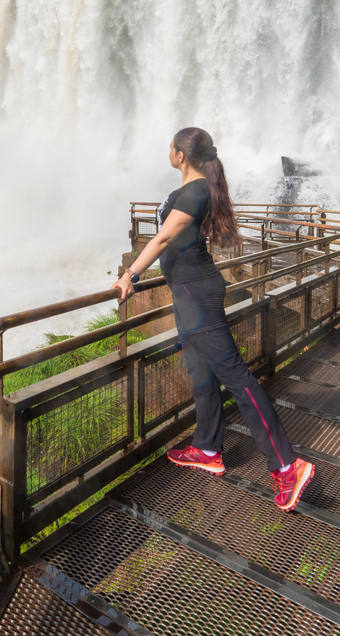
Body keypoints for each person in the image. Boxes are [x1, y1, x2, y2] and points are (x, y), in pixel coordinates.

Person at [112, 127, 314, 512]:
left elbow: (162, 240)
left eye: (170, 147)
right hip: (190, 293)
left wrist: (130, 276)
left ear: (181, 155)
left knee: (237, 378)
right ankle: (207, 448)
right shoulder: (195, 189)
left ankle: (288, 465)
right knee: (201, 374)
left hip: (196, 296)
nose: (167, 151)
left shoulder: (196, 191)